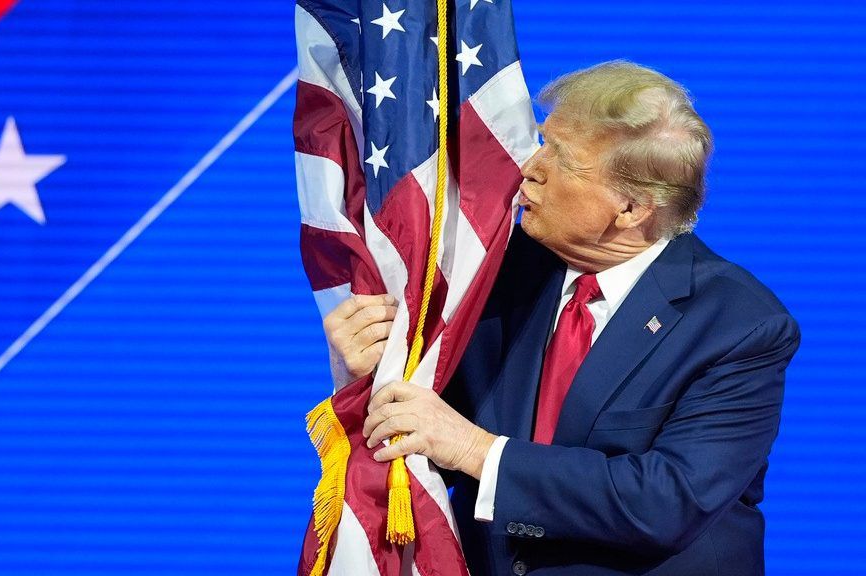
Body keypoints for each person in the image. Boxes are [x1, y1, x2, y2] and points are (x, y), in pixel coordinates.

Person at [324, 61, 800, 575]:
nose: (530, 166)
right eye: (542, 140)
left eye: (562, 158)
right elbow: (431, 433)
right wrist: (373, 370)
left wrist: (477, 449)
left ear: (632, 207)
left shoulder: (740, 325)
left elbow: (666, 502)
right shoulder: (494, 271)